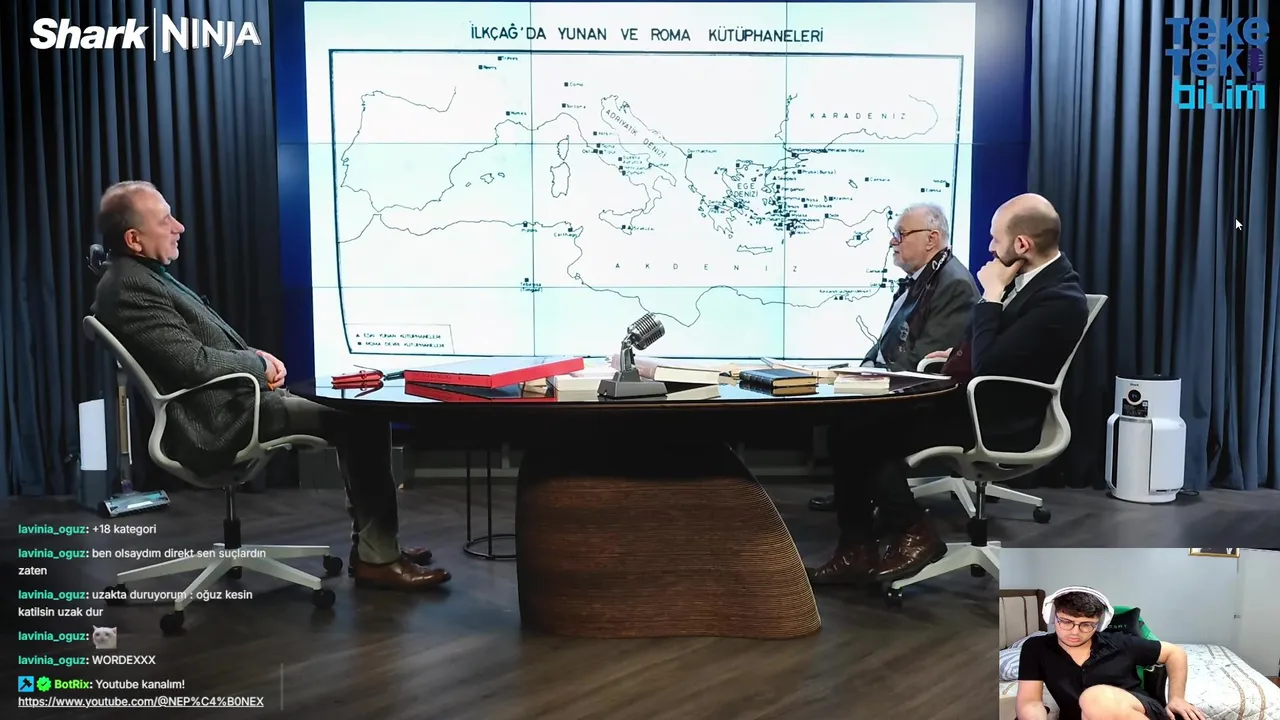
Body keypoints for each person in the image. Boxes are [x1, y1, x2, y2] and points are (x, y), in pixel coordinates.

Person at [89, 180, 449, 591]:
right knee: (363, 420)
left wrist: (253, 358)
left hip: (236, 400)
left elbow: (193, 349)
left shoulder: (141, 275)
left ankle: (374, 547)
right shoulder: (131, 286)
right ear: (133, 239)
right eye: (165, 219)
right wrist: (257, 365)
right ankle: (377, 557)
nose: (179, 227)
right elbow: (192, 364)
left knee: (358, 415)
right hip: (220, 418)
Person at [807, 193, 1089, 586]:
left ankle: (913, 533)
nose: (990, 248)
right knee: (850, 424)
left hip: (996, 420)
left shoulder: (1059, 298)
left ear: (1022, 244)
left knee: (862, 432)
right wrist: (958, 352)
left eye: (996, 239)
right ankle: (857, 550)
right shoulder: (1030, 282)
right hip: (973, 404)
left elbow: (990, 364)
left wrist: (991, 296)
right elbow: (988, 347)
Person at [810, 202, 978, 511]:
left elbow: (927, 362)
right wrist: (861, 370)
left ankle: (900, 520)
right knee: (842, 418)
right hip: (902, 388)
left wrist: (870, 382)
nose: (892, 241)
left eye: (901, 234)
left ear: (931, 239)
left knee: (854, 428)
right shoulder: (924, 279)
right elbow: (888, 342)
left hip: (929, 404)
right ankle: (857, 501)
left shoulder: (953, 284)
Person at [1016, 588, 1205, 720]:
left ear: (1099, 624)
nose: (1075, 632)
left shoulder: (1120, 642)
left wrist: (1177, 698)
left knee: (1094, 699)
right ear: (1052, 616)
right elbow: (1030, 702)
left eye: (1086, 624)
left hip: (1137, 710)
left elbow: (1175, 653)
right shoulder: (1036, 648)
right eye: (1066, 621)